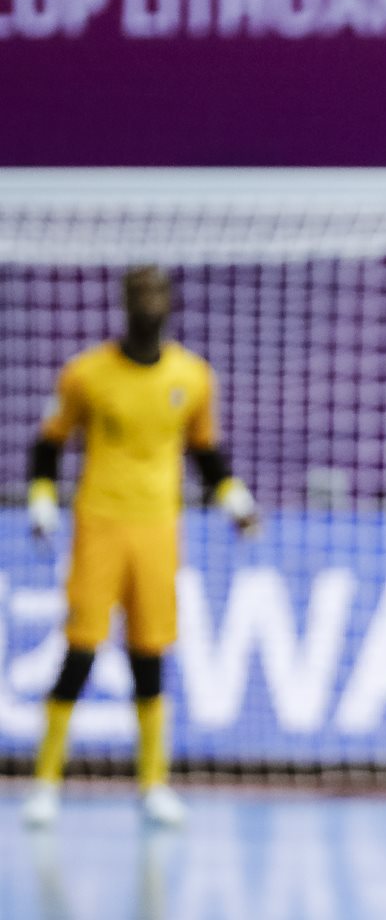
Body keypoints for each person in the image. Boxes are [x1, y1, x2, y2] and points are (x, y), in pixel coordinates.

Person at [21, 265, 258, 829]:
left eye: (157, 293)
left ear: (170, 303)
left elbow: (205, 451)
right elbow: (49, 443)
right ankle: (47, 782)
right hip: (99, 523)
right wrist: (40, 498)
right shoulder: (86, 374)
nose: (148, 303)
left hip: (158, 528)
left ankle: (153, 784)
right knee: (80, 651)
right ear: (125, 303)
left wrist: (235, 500)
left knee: (149, 654)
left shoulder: (193, 377)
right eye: (139, 294)